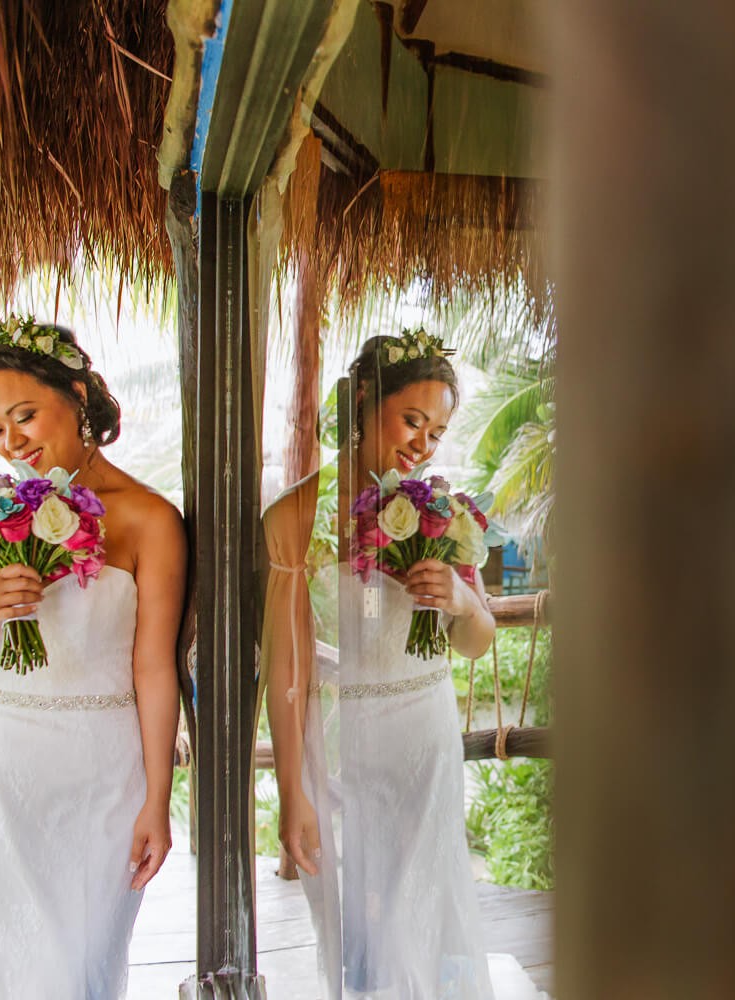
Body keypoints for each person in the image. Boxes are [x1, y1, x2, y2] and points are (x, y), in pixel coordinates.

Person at [0, 317, 185, 999]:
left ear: (75, 394)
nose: (13, 443)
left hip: (102, 777)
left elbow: (153, 668)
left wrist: (158, 799)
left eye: (24, 416)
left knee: (78, 969)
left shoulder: (151, 521)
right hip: (2, 770)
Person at [265, 330, 519, 999]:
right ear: (364, 403)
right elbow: (287, 668)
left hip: (423, 736)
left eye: (437, 431)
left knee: (426, 909)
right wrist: (293, 791)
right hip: (340, 744)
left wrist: (463, 600)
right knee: (356, 926)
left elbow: (476, 640)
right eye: (413, 420)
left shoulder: (441, 512)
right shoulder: (298, 512)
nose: (423, 444)